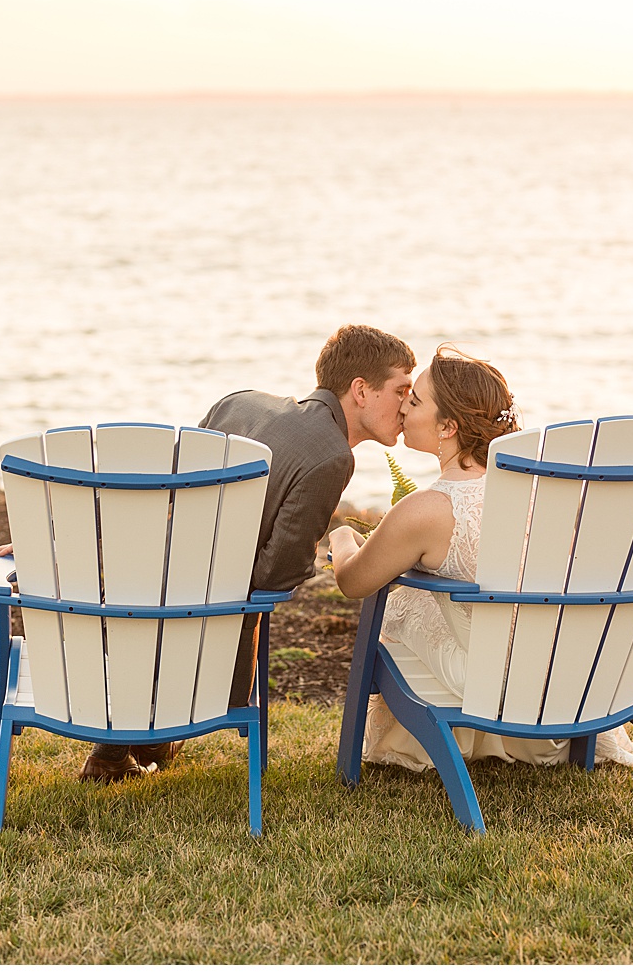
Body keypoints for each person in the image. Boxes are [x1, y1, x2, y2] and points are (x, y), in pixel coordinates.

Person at [69, 323, 416, 781]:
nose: (407, 406)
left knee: (179, 586)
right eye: (401, 391)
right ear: (360, 391)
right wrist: (327, 554)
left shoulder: (240, 402)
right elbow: (277, 574)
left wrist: (68, 533)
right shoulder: (332, 456)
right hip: (206, 642)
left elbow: (162, 488)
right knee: (224, 600)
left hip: (133, 602)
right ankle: (132, 741)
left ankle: (137, 738)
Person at [327, 344, 633, 771]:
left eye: (414, 400)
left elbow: (353, 582)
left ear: (448, 427)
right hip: (561, 672)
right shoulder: (540, 492)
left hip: (488, 679)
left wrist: (342, 537)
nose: (402, 409)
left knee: (403, 604)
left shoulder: (429, 510)